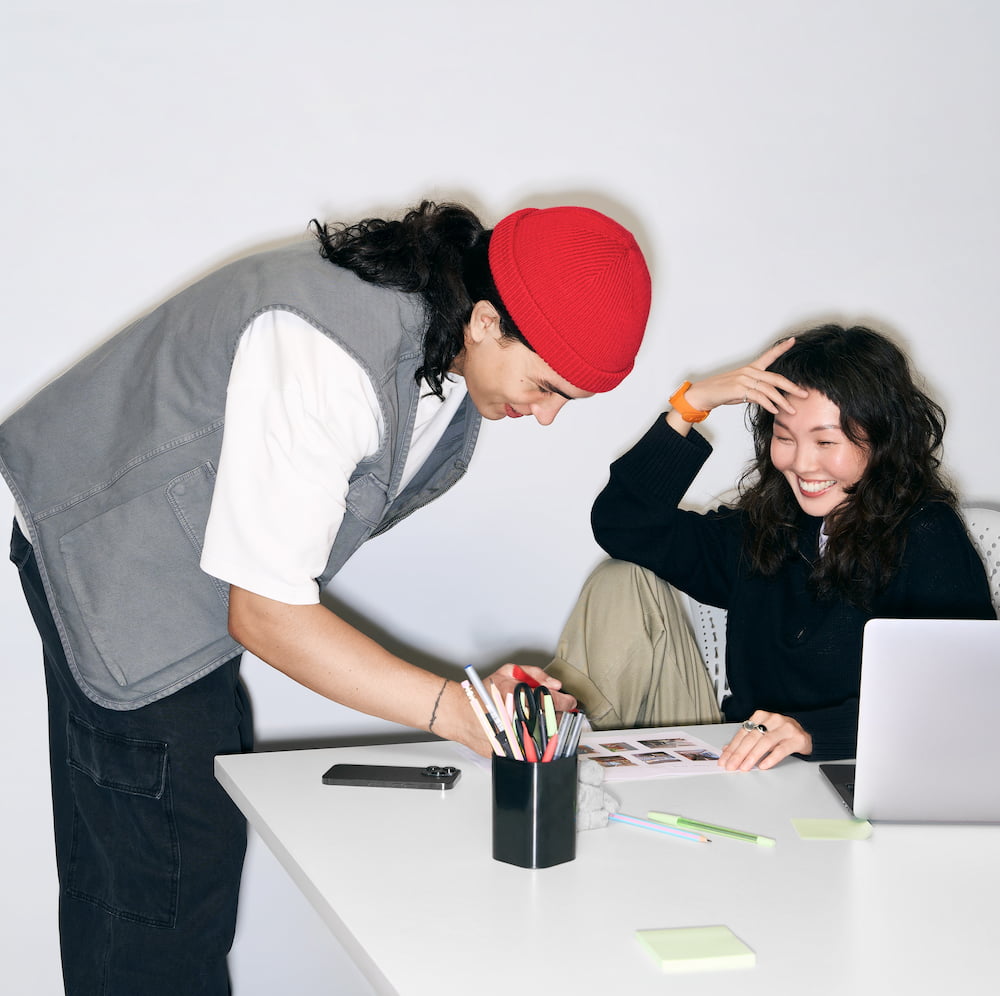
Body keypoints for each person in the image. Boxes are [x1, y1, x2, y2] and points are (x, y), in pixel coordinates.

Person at [0, 200, 651, 995]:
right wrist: (460, 713)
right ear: (487, 321)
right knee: (161, 890)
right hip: (110, 565)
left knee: (166, 854)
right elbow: (268, 615)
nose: (546, 416)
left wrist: (471, 705)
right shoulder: (330, 354)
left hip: (166, 574)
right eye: (546, 386)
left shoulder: (434, 337)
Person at [547, 324, 995, 773]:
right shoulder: (767, 524)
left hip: (858, 766)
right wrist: (692, 405)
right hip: (743, 756)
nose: (801, 463)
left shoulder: (927, 534)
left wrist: (810, 733)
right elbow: (623, 525)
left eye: (826, 442)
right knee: (620, 579)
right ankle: (547, 750)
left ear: (881, 440)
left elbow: (962, 695)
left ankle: (553, 758)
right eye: (785, 438)